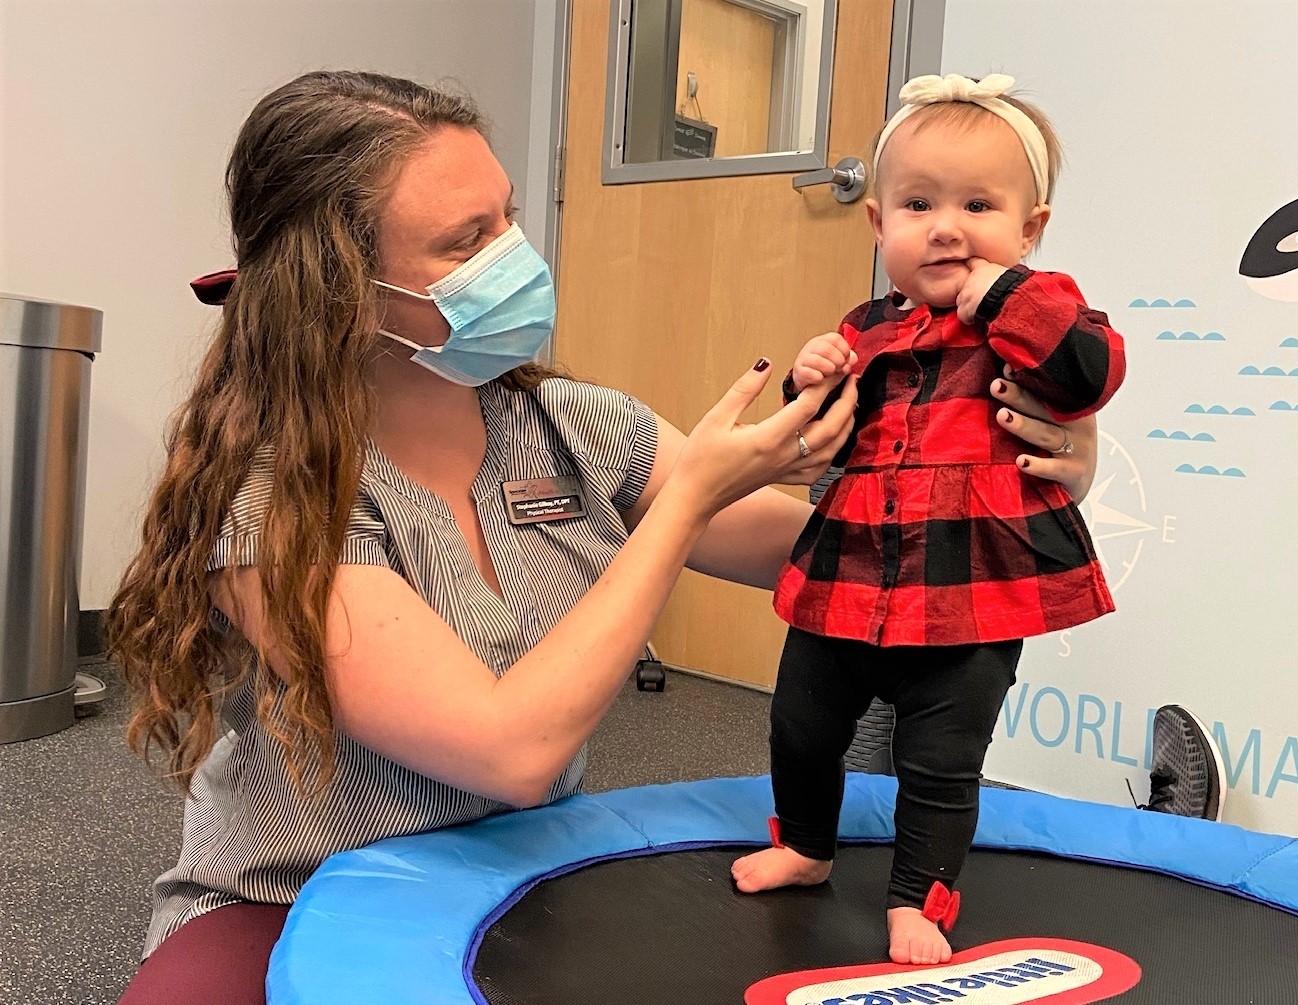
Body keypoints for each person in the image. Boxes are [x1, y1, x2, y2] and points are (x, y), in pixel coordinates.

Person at [105, 70, 1099, 1005]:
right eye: (466, 242)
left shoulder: (575, 426)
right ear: (337, 288)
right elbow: (508, 751)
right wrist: (685, 503)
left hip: (515, 878)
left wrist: (1022, 482)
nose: (513, 258)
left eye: (508, 218)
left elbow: (841, 558)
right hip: (289, 895)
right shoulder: (269, 496)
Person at [730, 73, 1127, 967]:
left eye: (978, 206)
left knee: (940, 758)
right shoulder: (865, 325)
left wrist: (1006, 298)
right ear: (878, 224)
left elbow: (1091, 370)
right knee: (799, 723)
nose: (946, 227)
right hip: (849, 575)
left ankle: (919, 896)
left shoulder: (1039, 310)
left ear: (1030, 229)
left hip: (969, 591)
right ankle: (805, 844)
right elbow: (820, 444)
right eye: (918, 205)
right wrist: (808, 378)